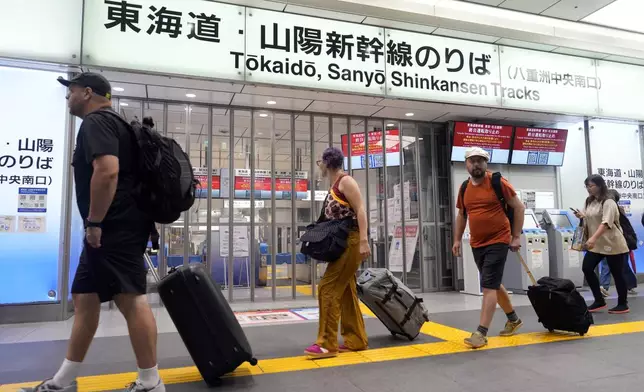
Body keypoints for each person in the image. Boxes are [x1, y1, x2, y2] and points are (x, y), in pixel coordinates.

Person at [22, 73, 164, 392]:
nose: (66, 98)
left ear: (87, 93)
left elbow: (107, 170)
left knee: (131, 299)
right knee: (85, 297)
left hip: (113, 227)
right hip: (118, 225)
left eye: (70, 92)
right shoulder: (118, 124)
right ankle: (62, 380)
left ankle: (151, 381)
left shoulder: (96, 122)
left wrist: (95, 222)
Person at [453, 147, 526, 349]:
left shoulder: (497, 182)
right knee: (492, 283)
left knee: (488, 286)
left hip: (499, 240)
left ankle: (481, 333)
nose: (476, 164)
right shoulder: (464, 188)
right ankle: (513, 319)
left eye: (480, 161)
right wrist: (457, 239)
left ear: (486, 163)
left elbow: (519, 207)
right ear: (466, 164)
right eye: (472, 161)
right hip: (477, 243)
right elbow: (462, 215)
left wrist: (516, 236)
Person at [304, 147, 370, 358]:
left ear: (327, 162)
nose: (319, 167)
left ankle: (326, 343)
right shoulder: (335, 184)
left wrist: (363, 240)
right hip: (345, 242)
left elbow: (360, 210)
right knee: (346, 290)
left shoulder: (346, 182)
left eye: (319, 163)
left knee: (327, 287)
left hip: (351, 241)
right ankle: (356, 339)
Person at [574, 175, 630, 314]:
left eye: (591, 185)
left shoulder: (608, 201)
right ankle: (599, 300)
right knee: (587, 268)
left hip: (612, 243)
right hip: (597, 244)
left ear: (600, 185)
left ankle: (623, 304)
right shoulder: (589, 201)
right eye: (586, 186)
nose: (588, 188)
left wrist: (592, 238)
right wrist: (582, 216)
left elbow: (606, 223)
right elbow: (590, 217)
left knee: (617, 274)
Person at [598, 189, 637, 297]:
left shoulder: (616, 210)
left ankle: (627, 285)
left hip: (619, 241)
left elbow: (624, 227)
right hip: (609, 241)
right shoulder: (608, 209)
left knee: (621, 265)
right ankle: (604, 287)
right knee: (611, 264)